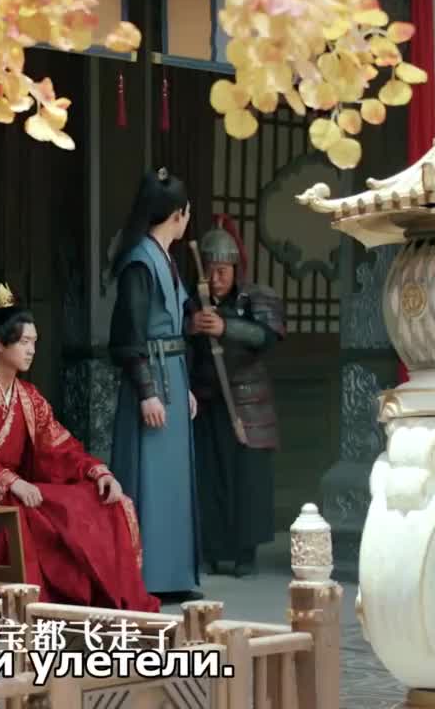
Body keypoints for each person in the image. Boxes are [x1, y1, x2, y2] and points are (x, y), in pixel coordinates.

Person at [0, 283, 160, 613]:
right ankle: (37, 606)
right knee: (28, 509)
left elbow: (59, 446)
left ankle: (99, 600)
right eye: (24, 342)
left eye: (34, 342)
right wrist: (10, 482)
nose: (31, 350)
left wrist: (97, 471)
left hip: (20, 491)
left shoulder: (30, 397)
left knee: (96, 502)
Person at [107, 168, 202, 604]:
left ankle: (173, 573)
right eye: (187, 212)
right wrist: (147, 391)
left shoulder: (165, 258)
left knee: (173, 481)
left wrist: (183, 387)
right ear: (178, 214)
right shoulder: (140, 262)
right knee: (148, 478)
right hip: (151, 379)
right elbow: (130, 334)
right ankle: (145, 576)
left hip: (173, 374)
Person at [185, 216, 284, 577]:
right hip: (207, 403)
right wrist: (191, 327)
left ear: (235, 269)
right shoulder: (193, 302)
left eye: (223, 271)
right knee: (210, 479)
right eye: (211, 270)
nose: (216, 278)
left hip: (247, 404)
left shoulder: (255, 297)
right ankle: (212, 550)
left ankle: (245, 553)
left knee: (247, 481)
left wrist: (226, 327)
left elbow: (267, 336)